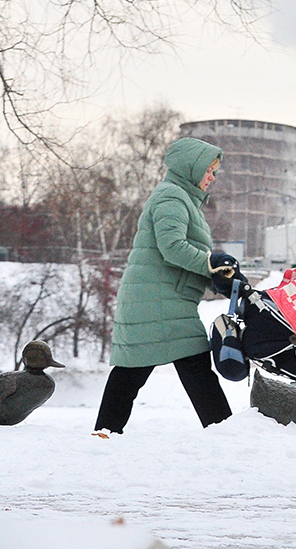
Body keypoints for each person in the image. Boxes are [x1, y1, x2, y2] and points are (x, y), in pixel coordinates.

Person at [93, 137, 237, 434]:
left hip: (163, 299)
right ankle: (224, 432)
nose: (211, 178)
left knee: (134, 371)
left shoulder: (182, 199)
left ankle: (104, 433)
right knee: (188, 366)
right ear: (191, 168)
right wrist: (210, 264)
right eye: (208, 170)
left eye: (214, 172)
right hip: (157, 300)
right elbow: (172, 247)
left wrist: (213, 273)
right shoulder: (171, 197)